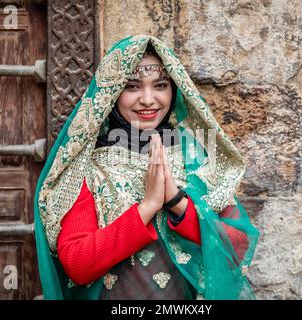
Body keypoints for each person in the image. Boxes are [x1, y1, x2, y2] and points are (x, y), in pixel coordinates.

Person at [34, 35, 259, 300]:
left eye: (160, 85)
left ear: (174, 90)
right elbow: (78, 265)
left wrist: (176, 202)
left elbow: (239, 246)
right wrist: (148, 206)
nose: (148, 100)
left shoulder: (196, 160)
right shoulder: (88, 167)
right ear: (113, 92)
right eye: (132, 86)